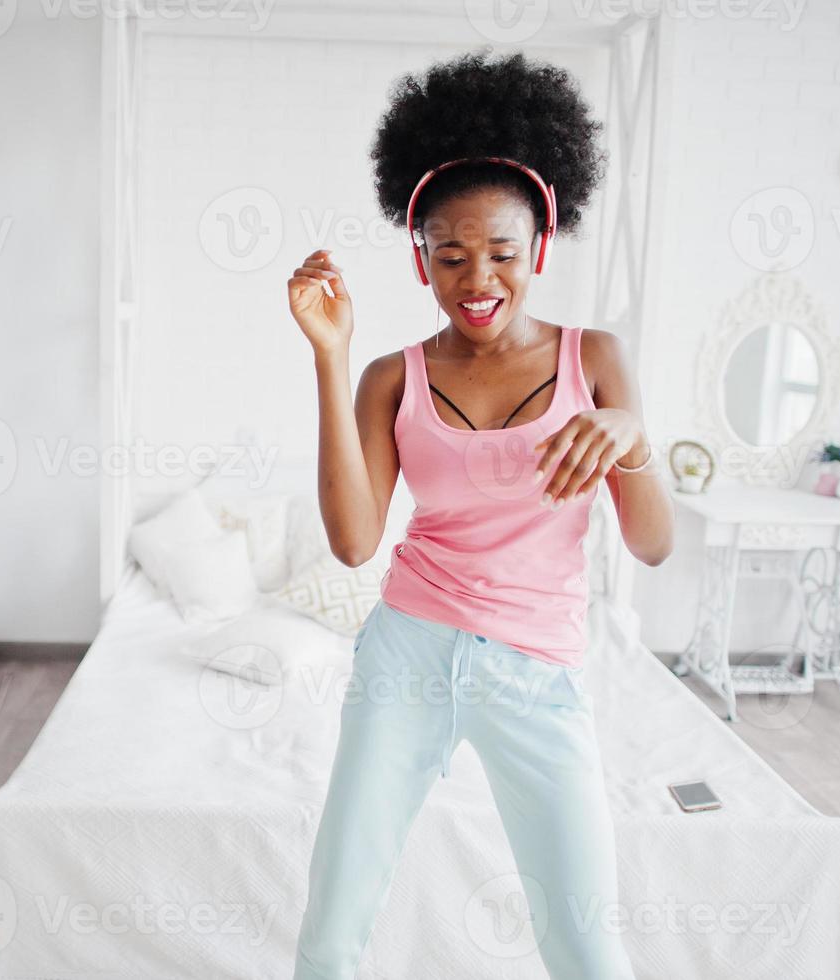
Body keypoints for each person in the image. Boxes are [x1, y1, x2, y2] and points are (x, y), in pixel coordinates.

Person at [284, 48, 675, 979]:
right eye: (449, 255)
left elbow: (653, 546)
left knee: (584, 938)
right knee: (334, 923)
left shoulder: (597, 360)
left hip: (537, 669)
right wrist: (330, 357)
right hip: (406, 650)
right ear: (420, 259)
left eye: (501, 253)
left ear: (538, 249)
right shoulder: (394, 374)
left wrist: (631, 434)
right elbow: (350, 545)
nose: (477, 279)